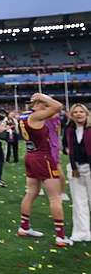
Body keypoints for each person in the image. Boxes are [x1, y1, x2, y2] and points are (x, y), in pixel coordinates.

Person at [17, 93, 73, 246]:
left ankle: (24, 226)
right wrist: (41, 96)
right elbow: (58, 106)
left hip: (31, 155)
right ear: (38, 104)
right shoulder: (36, 117)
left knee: (31, 193)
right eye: (44, 104)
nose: (47, 107)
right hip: (43, 157)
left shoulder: (23, 116)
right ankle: (60, 236)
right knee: (55, 197)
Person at [63, 103, 91, 242]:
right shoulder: (69, 129)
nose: (79, 114)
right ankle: (82, 232)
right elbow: (65, 146)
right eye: (76, 112)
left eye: (81, 111)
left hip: (89, 167)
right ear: (72, 115)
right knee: (79, 202)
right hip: (75, 168)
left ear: (86, 114)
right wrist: (68, 150)